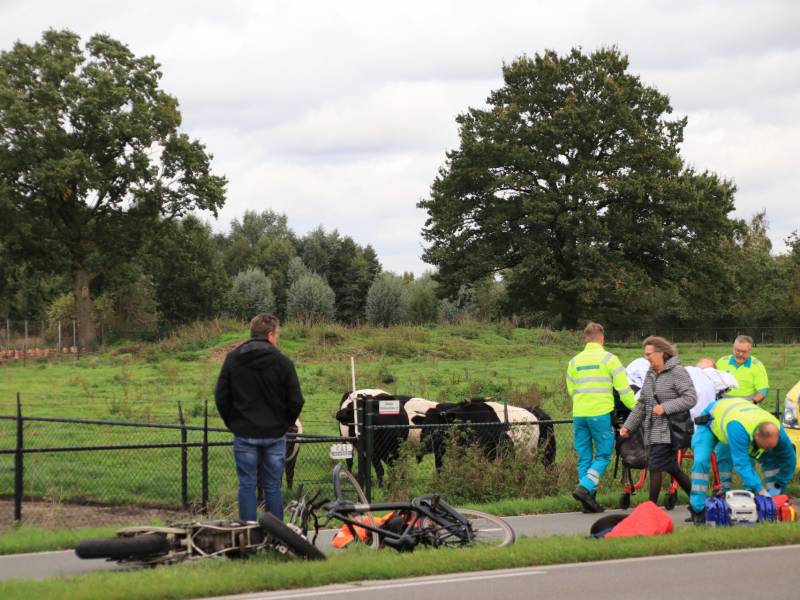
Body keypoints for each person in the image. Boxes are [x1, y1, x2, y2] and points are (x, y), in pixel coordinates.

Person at [215, 314, 305, 522]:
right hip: (274, 434)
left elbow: (221, 397)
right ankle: (275, 535)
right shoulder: (282, 362)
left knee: (247, 485)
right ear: (271, 334)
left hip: (244, 433)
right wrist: (285, 423)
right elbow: (296, 400)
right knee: (273, 485)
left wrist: (234, 423)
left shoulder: (233, 359)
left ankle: (247, 533)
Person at [688, 397, 797, 524]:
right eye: (765, 446)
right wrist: (760, 490)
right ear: (756, 435)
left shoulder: (777, 430)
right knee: (702, 461)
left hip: (734, 417)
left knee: (770, 458)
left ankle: (772, 505)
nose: (767, 449)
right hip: (711, 422)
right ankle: (698, 509)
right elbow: (741, 464)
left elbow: (790, 460)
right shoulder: (738, 429)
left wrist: (779, 484)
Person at [566, 322, 636, 513]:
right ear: (602, 338)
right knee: (604, 454)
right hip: (600, 414)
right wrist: (637, 409)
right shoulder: (610, 359)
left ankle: (588, 501)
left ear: (586, 339)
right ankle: (585, 487)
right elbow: (624, 391)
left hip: (579, 414)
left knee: (584, 457)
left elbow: (571, 390)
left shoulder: (574, 361)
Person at [619, 336, 696, 507]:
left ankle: (650, 509)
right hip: (653, 430)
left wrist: (666, 407)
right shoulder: (650, 374)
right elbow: (642, 403)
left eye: (649, 354)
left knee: (654, 465)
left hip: (669, 430)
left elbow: (691, 398)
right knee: (672, 468)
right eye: (645, 354)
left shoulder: (678, 372)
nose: (646, 358)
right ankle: (700, 503)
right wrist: (628, 426)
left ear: (661, 352)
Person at [716, 335, 769, 404]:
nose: (740, 354)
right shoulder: (722, 362)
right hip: (723, 407)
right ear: (733, 348)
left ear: (750, 350)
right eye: (738, 350)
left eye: (744, 352)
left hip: (746, 408)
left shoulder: (757, 366)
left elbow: (763, 391)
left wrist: (752, 402)